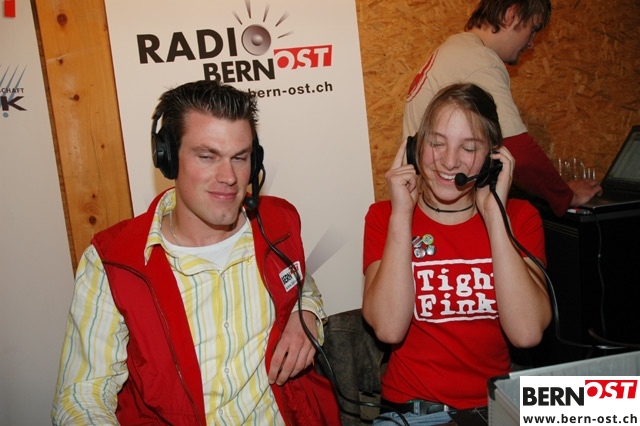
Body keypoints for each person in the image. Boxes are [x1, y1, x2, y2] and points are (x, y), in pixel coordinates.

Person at [51, 80, 340, 425]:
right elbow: (82, 396)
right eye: (207, 156)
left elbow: (301, 283)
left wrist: (305, 313)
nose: (229, 177)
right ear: (168, 158)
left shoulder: (279, 223)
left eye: (240, 157)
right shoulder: (113, 260)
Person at [363, 83, 552, 425]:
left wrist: (495, 216)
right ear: (415, 147)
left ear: (493, 158)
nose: (449, 162)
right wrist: (402, 215)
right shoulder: (385, 217)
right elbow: (389, 329)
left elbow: (526, 333)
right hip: (413, 410)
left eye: (469, 147)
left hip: (495, 408)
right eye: (436, 143)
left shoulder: (520, 218)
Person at [402, 0, 601, 217]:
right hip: (444, 208)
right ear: (511, 15)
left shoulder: (455, 49)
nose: (531, 43)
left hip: (427, 203)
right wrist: (567, 196)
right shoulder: (478, 59)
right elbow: (518, 151)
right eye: (533, 29)